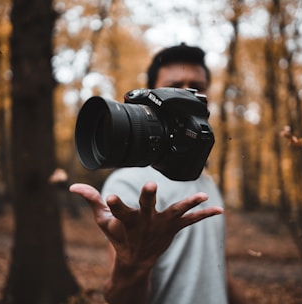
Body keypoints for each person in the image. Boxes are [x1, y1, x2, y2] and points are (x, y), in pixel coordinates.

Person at [70, 44, 246, 304]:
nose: (188, 95)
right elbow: (120, 298)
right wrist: (135, 265)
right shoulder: (129, 183)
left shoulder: (206, 181)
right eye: (176, 86)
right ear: (153, 93)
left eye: (196, 87)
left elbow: (218, 270)